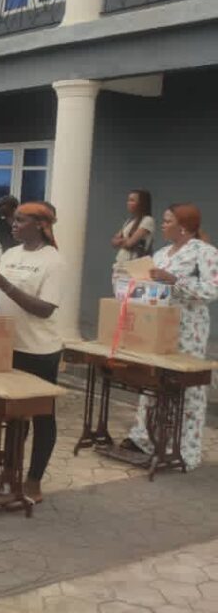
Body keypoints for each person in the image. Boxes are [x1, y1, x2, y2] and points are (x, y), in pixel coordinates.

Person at [122, 204, 217, 470]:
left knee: (185, 386)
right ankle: (144, 438)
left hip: (188, 329)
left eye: (167, 221)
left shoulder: (205, 252)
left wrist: (174, 280)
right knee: (153, 380)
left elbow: (212, 290)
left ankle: (182, 448)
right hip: (157, 325)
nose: (162, 225)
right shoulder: (161, 253)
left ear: (183, 226)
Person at [0, 202, 64, 504]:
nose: (13, 225)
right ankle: (8, 472)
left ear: (40, 225)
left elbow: (45, 309)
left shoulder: (53, 261)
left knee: (42, 416)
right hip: (9, 345)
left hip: (39, 350)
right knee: (14, 415)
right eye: (13, 220)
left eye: (20, 220)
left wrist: (6, 286)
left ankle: (33, 480)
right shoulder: (10, 254)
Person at [111, 189, 155, 265]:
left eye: (132, 200)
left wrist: (122, 241)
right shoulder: (129, 221)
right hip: (120, 263)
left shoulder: (147, 220)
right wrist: (124, 241)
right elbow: (114, 242)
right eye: (128, 200)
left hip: (135, 264)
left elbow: (130, 243)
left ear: (141, 203)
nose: (128, 203)